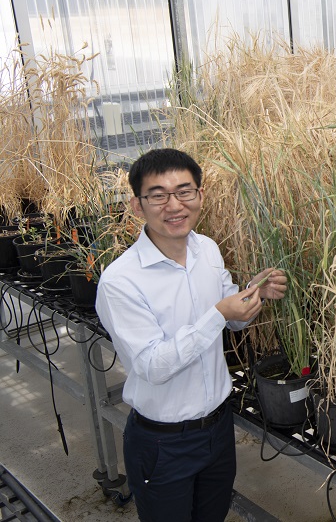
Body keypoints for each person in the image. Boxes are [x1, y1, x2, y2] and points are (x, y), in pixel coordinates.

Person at [95, 148, 287, 522]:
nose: (174, 205)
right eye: (158, 195)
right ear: (137, 205)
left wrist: (251, 292)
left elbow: (232, 321)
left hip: (217, 430)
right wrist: (218, 314)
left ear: (200, 195)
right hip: (162, 443)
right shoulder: (121, 281)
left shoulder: (207, 250)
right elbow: (152, 364)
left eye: (184, 191)